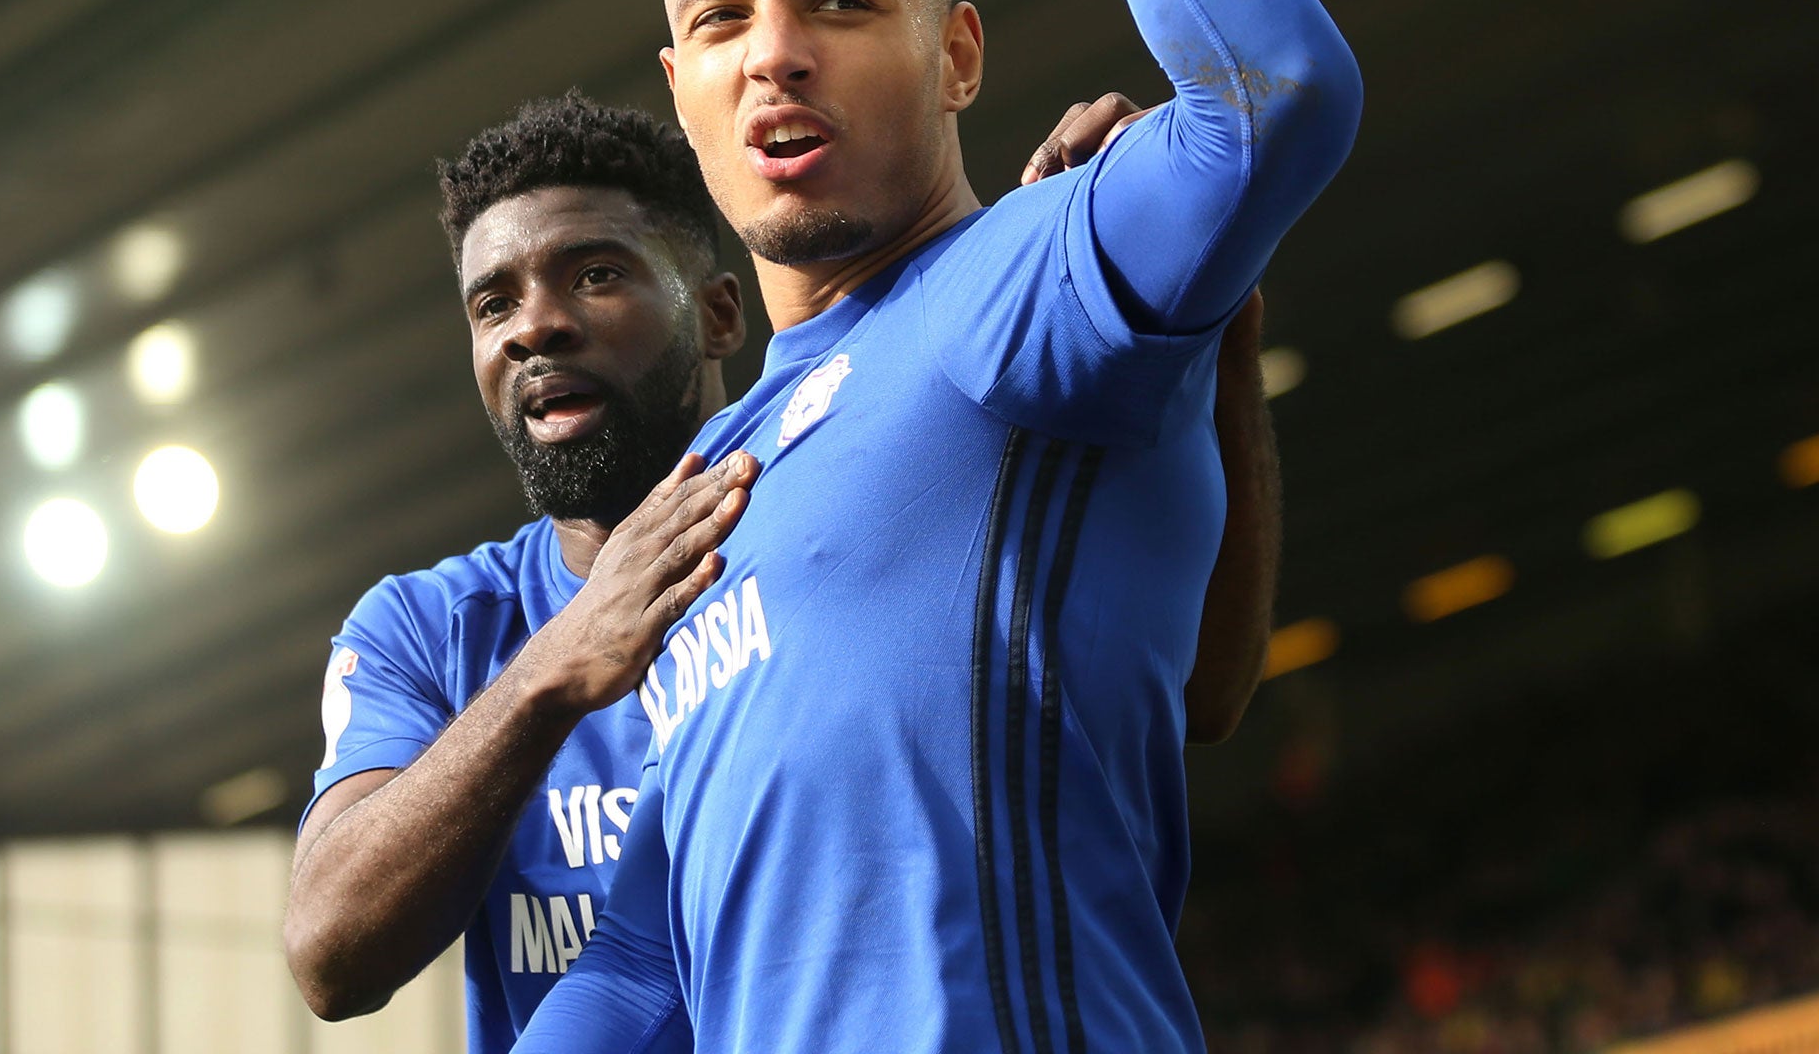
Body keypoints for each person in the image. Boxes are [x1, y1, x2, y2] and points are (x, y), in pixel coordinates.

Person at [512, 0, 1361, 1054]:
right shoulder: (703, 486)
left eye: (836, 2)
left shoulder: (1029, 279)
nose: (772, 49)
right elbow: (652, 949)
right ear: (681, 91)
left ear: (957, 55)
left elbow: (1277, 85)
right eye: (720, 23)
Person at [283, 92, 1282, 1049]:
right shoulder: (429, 627)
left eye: (593, 275)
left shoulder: (862, 506)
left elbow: (1202, 690)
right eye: (491, 302)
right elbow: (331, 956)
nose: (532, 325)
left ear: (720, 315)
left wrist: (1205, 326)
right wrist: (556, 668)